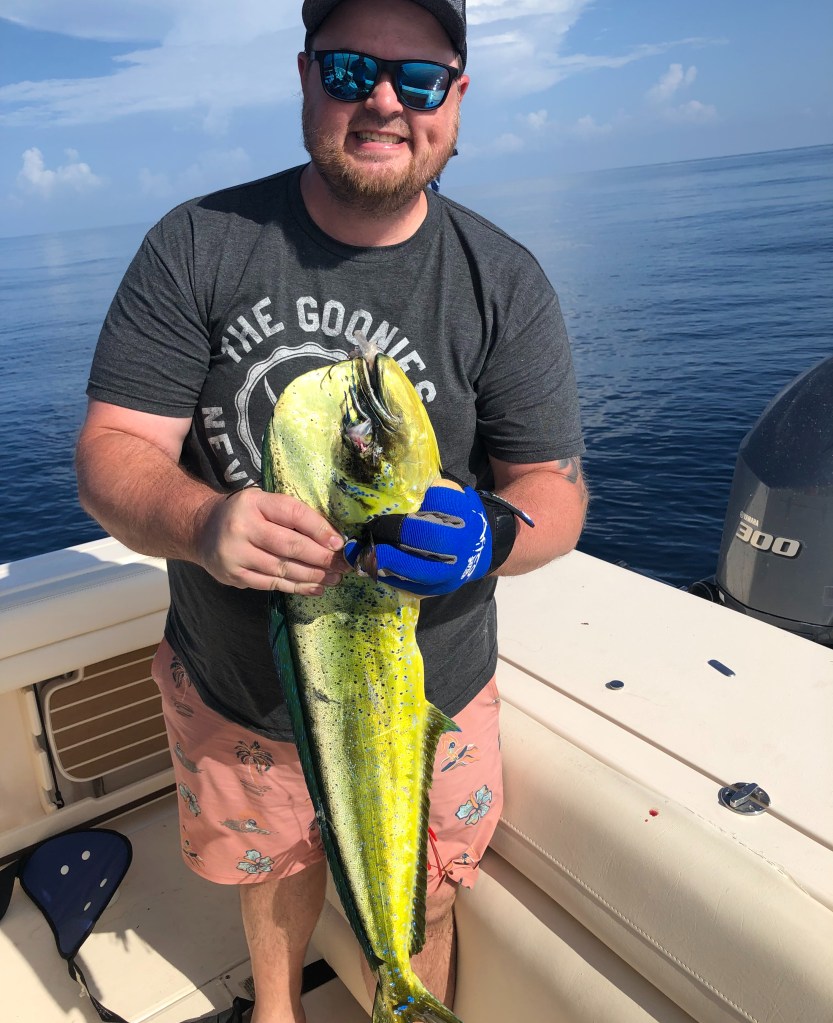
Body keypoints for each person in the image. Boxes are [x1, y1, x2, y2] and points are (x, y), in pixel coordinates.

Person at [75, 0, 587, 1020]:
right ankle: (278, 1011)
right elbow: (111, 454)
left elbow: (555, 494)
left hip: (427, 689)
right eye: (352, 71)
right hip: (239, 687)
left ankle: (401, 995)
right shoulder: (197, 245)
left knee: (421, 894)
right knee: (274, 879)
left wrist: (494, 533)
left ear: (456, 97)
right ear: (306, 77)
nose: (385, 102)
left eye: (419, 79)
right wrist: (202, 525)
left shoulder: (503, 281)